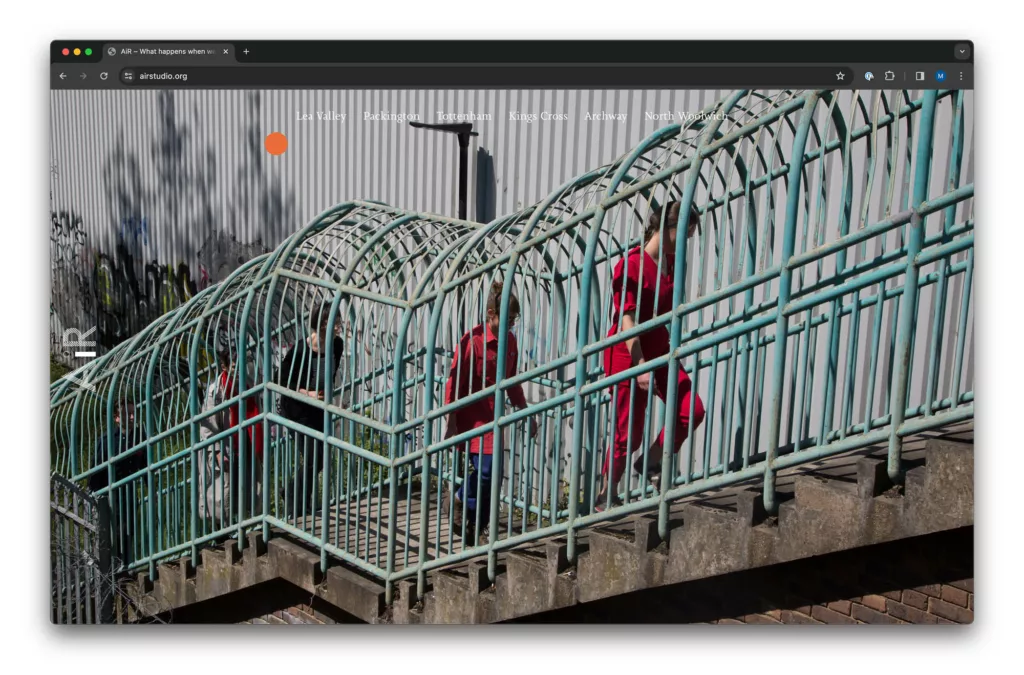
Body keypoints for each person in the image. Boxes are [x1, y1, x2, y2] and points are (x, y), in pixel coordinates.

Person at [596, 200, 707, 510]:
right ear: (667, 230)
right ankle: (606, 494)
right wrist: (640, 364)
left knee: (692, 410)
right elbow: (625, 320)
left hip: (659, 345)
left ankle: (652, 460)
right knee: (627, 434)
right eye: (684, 235)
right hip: (628, 350)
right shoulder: (630, 264)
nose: (686, 243)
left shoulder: (672, 264)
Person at [443, 281, 537, 544]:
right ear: (491, 314)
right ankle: (461, 499)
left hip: (495, 419)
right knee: (484, 473)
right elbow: (454, 383)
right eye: (506, 318)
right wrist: (451, 422)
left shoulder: (511, 343)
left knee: (492, 477)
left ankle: (477, 525)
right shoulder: (472, 341)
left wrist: (525, 412)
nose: (510, 324)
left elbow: (511, 381)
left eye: (514, 320)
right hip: (473, 420)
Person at [277, 310, 344, 516]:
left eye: (339, 320)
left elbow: (331, 373)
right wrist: (309, 393)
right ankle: (292, 498)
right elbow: (280, 380)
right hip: (296, 409)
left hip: (318, 409)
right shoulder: (300, 350)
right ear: (322, 324)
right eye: (334, 321)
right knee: (315, 457)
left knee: (320, 458)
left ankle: (298, 499)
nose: (338, 325)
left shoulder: (336, 345)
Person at [199, 345, 264, 529]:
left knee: (250, 489)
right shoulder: (216, 391)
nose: (239, 371)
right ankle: (225, 532)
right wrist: (217, 452)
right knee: (224, 493)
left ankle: (251, 526)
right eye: (235, 367)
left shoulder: (249, 383)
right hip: (226, 446)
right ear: (224, 367)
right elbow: (207, 427)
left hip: (247, 443)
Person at [87, 401, 146, 571]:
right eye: (128, 414)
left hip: (129, 494)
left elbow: (144, 463)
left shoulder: (140, 435)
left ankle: (125, 569)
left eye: (134, 412)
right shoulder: (106, 440)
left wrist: (152, 488)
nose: (133, 417)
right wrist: (95, 497)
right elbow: (96, 470)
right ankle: (113, 573)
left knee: (128, 532)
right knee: (112, 536)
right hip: (109, 496)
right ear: (117, 418)